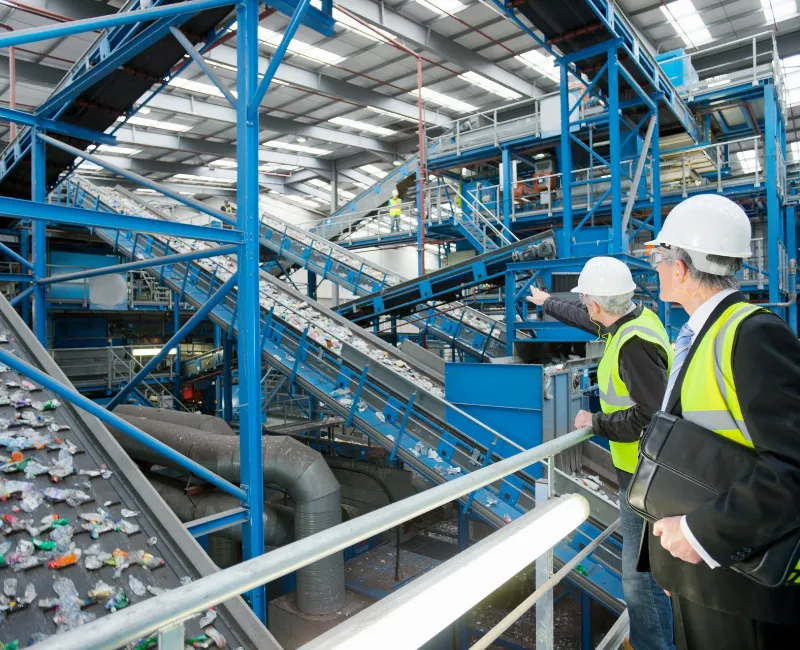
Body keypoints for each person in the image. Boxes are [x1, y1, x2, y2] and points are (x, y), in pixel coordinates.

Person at [643, 193, 800, 649]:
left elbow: (792, 468)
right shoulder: (699, 333)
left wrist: (700, 536)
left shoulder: (753, 334)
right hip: (703, 574)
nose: (655, 266)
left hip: (743, 588)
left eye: (660, 255)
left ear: (681, 267)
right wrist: (674, 560)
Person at [528, 256, 674, 650]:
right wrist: (546, 301)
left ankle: (654, 645)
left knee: (639, 575)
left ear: (597, 305)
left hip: (646, 477)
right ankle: (651, 639)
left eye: (587, 301)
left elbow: (650, 418)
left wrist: (595, 423)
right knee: (642, 570)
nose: (586, 308)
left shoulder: (634, 347)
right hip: (640, 471)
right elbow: (582, 317)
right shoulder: (633, 319)